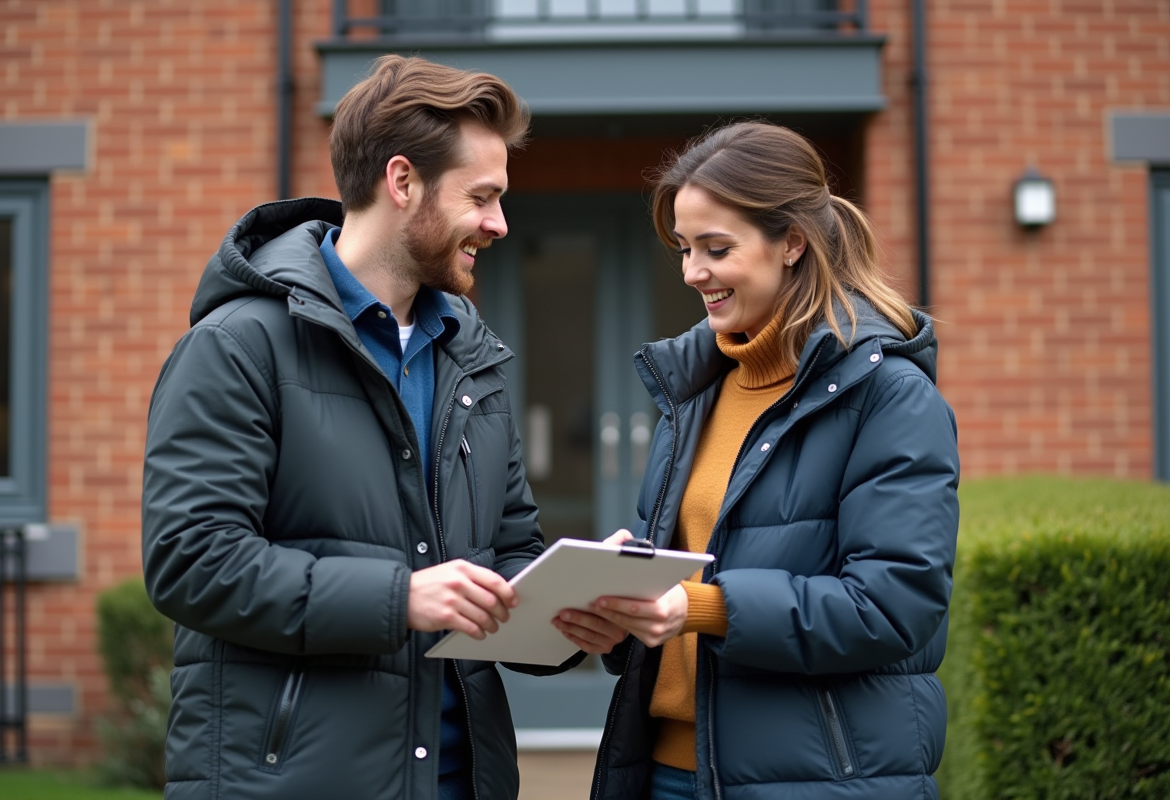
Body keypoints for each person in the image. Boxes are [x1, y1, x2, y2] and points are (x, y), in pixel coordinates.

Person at [141, 55, 599, 800]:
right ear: (402, 181)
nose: (499, 224)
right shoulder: (236, 348)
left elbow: (509, 548)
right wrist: (401, 598)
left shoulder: (470, 358)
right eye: (482, 197)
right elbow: (191, 561)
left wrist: (564, 613)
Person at [553, 121, 960, 800]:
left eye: (716, 248)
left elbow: (893, 607)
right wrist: (619, 612)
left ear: (792, 241)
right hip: (665, 772)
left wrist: (702, 608)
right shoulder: (695, 391)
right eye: (684, 249)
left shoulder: (889, 397)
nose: (692, 272)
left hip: (814, 780)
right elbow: (680, 595)